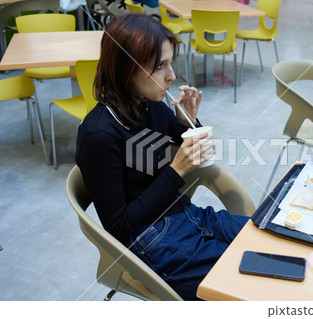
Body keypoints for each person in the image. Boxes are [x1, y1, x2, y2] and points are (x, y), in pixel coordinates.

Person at [76, 14, 249, 300]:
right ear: (124, 69)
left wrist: (187, 121)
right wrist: (176, 170)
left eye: (170, 63)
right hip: (152, 238)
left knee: (264, 239)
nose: (171, 76)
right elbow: (118, 227)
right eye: (160, 66)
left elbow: (192, 142)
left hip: (186, 214)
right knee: (244, 282)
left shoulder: (148, 102)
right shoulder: (99, 135)